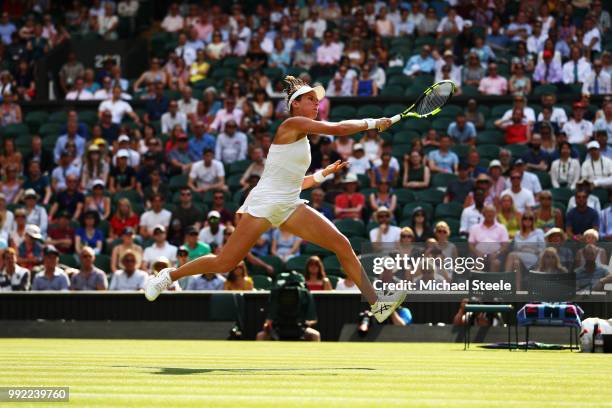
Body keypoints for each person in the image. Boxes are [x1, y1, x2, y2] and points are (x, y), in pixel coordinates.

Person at [146, 75, 403, 322]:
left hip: (289, 205)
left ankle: (377, 302)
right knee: (225, 263)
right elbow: (336, 128)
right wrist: (373, 123)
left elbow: (294, 183)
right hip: (265, 204)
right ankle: (169, 276)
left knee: (342, 243)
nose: (317, 103)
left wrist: (323, 175)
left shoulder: (302, 140)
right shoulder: (291, 124)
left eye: (318, 100)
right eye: (311, 99)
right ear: (296, 105)